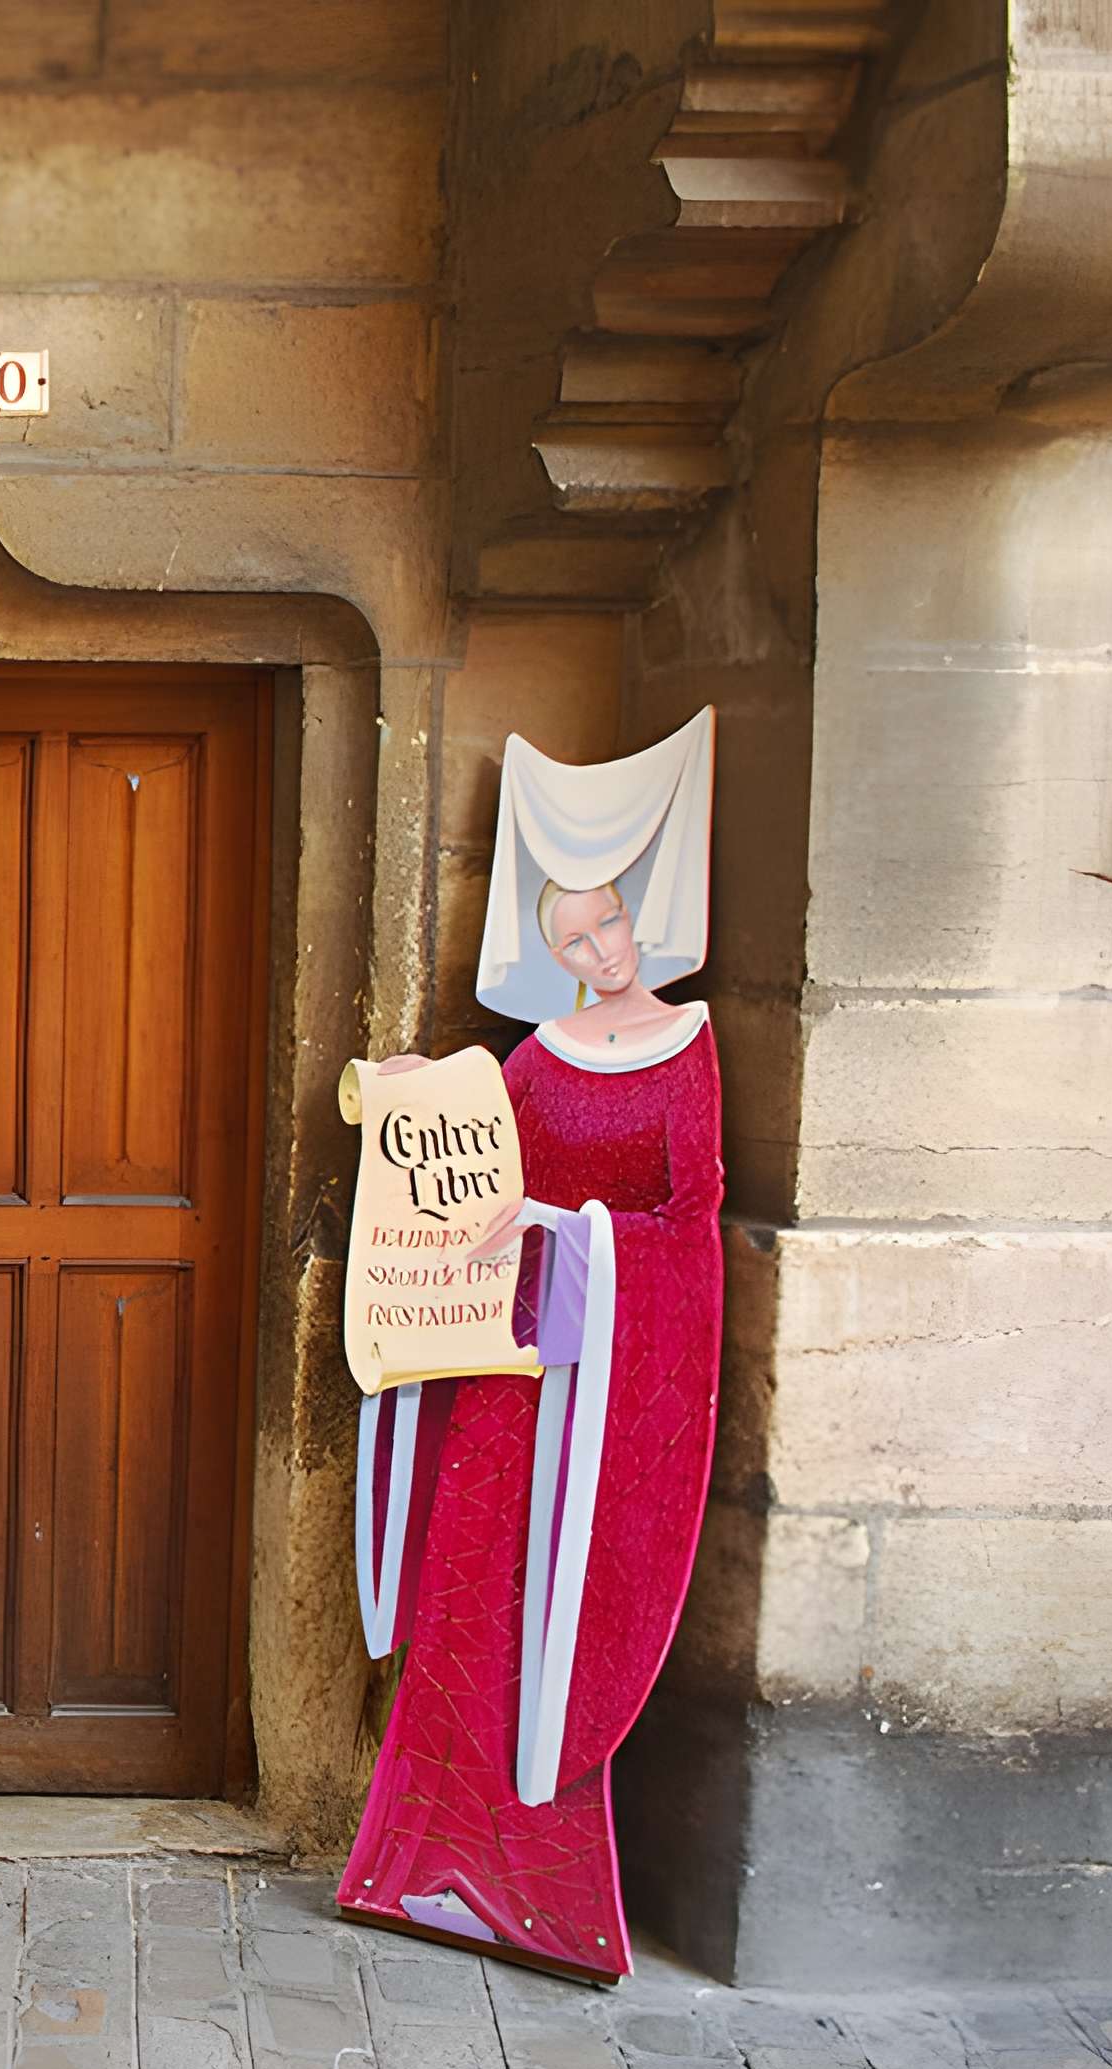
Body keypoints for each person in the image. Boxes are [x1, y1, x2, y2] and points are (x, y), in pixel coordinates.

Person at [341, 711, 723, 1983]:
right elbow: (463, 1158)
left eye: (605, 926)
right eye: (570, 938)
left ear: (636, 921)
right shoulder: (536, 1052)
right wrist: (409, 1088)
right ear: (550, 950)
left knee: (549, 1619)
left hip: (597, 1392)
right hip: (499, 1382)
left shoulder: (685, 1049)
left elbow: (691, 1219)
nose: (594, 949)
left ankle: (544, 1897)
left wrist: (584, 1228)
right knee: (466, 1614)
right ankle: (424, 1867)